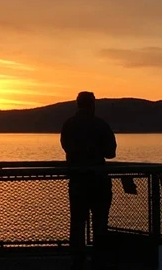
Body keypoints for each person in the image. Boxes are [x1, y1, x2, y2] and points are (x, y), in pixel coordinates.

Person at [60, 91, 117, 270]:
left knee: (77, 222)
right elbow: (111, 153)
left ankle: (77, 261)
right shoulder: (101, 125)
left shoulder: (68, 125)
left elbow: (65, 146)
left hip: (77, 181)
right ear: (93, 104)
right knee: (100, 222)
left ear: (77, 104)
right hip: (99, 181)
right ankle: (99, 260)